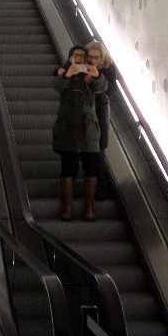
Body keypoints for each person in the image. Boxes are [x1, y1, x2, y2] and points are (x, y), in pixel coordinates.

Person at [52, 45, 108, 221]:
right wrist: (67, 75)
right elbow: (57, 85)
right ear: (70, 58)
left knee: (91, 168)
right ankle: (67, 206)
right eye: (75, 55)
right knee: (68, 167)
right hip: (67, 128)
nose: (79, 58)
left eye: (82, 56)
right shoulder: (64, 73)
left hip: (89, 130)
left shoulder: (90, 75)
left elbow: (102, 87)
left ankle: (90, 207)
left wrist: (96, 75)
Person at [84, 40, 114, 201]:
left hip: (101, 108)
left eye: (96, 57)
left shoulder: (108, 69)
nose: (92, 60)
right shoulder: (81, 66)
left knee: (100, 147)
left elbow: (111, 90)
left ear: (102, 57)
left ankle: (100, 189)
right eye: (89, 57)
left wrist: (96, 76)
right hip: (84, 109)